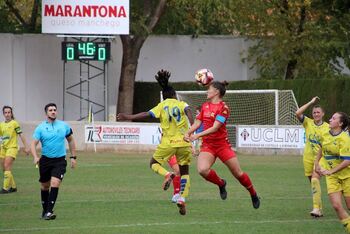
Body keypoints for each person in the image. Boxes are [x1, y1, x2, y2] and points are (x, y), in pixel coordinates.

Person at [117, 69, 193, 215]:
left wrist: (128, 116)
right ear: (175, 95)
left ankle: (166, 174)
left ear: (164, 97)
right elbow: (189, 111)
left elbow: (146, 114)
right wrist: (191, 129)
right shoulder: (182, 104)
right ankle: (182, 198)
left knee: (153, 163)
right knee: (185, 173)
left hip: (168, 143)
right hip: (184, 142)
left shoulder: (162, 106)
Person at [185, 81, 260, 209]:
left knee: (238, 174)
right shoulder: (205, 106)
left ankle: (253, 194)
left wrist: (197, 136)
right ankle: (221, 184)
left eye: (209, 89)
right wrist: (188, 132)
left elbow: (215, 128)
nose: (207, 91)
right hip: (208, 145)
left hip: (222, 145)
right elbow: (197, 123)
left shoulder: (223, 108)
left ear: (216, 92)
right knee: (202, 170)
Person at [30, 103, 77, 220]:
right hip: (45, 160)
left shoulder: (64, 126)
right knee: (44, 186)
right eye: (50, 110)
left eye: (55, 110)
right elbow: (33, 144)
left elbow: (71, 140)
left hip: (60, 160)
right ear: (46, 113)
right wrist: (35, 156)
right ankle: (45, 210)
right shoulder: (40, 128)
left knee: (55, 183)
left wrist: (73, 157)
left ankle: (49, 212)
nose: (53, 112)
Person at [314, 112, 350, 233]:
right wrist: (316, 164)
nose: (329, 120)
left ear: (340, 123)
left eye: (333, 118)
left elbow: (346, 161)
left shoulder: (345, 138)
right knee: (336, 206)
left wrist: (330, 171)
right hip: (332, 177)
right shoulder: (325, 134)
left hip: (347, 176)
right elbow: (321, 148)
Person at [295, 96, 329, 217]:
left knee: (315, 179)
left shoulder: (327, 127)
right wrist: (311, 102)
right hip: (308, 157)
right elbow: (298, 113)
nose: (316, 114)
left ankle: (316, 209)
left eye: (318, 112)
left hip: (321, 158)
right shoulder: (307, 122)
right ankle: (319, 209)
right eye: (314, 112)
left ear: (323, 114)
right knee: (313, 183)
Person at [0, 106, 30, 193]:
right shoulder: (1, 124)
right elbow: (1, 137)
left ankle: (5, 189)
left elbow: (21, 135)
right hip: (3, 148)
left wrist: (26, 147)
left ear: (11, 113)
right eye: (5, 113)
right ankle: (13, 187)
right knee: (5, 169)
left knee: (7, 166)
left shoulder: (14, 123)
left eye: (9, 112)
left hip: (12, 148)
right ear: (3, 114)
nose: (7, 114)